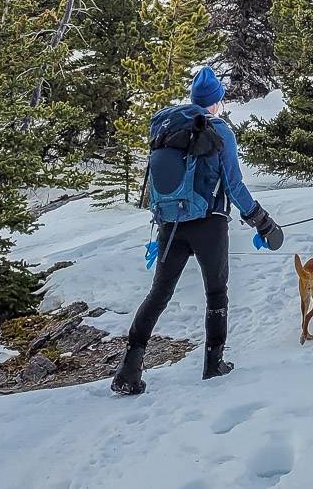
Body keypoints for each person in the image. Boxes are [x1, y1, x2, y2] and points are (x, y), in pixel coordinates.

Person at [111, 67, 283, 395]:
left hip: (171, 225)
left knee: (159, 293)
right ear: (216, 101)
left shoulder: (169, 128)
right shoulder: (219, 131)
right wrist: (261, 221)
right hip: (210, 224)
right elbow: (233, 185)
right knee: (216, 293)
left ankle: (129, 368)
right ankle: (213, 364)